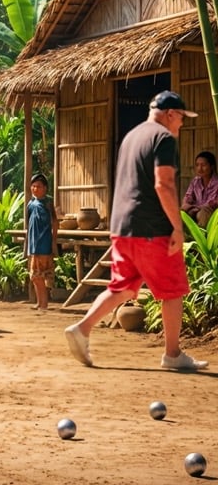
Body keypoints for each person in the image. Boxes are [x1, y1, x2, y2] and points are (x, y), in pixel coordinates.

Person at [64, 91, 208, 371]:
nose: (181, 124)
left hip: (122, 227)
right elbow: (163, 184)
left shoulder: (131, 137)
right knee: (172, 290)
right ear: (170, 114)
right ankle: (172, 354)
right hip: (151, 228)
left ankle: (82, 329)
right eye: (181, 118)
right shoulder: (163, 138)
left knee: (123, 287)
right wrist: (177, 227)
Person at [26, 173, 58, 313]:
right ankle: (40, 302)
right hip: (33, 244)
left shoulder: (48, 203)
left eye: (38, 186)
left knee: (40, 276)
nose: (35, 189)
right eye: (33, 186)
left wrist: (54, 240)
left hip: (44, 243)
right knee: (35, 276)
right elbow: (28, 223)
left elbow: (55, 222)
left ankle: (44, 304)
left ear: (45, 188)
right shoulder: (31, 204)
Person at [180, 150, 218, 227]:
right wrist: (188, 206)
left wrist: (195, 208)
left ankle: (202, 237)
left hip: (211, 213)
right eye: (197, 165)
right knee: (178, 212)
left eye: (203, 165)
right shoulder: (195, 181)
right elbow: (187, 197)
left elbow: (211, 204)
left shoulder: (216, 183)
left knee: (203, 213)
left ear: (212, 166)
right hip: (195, 210)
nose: (199, 168)